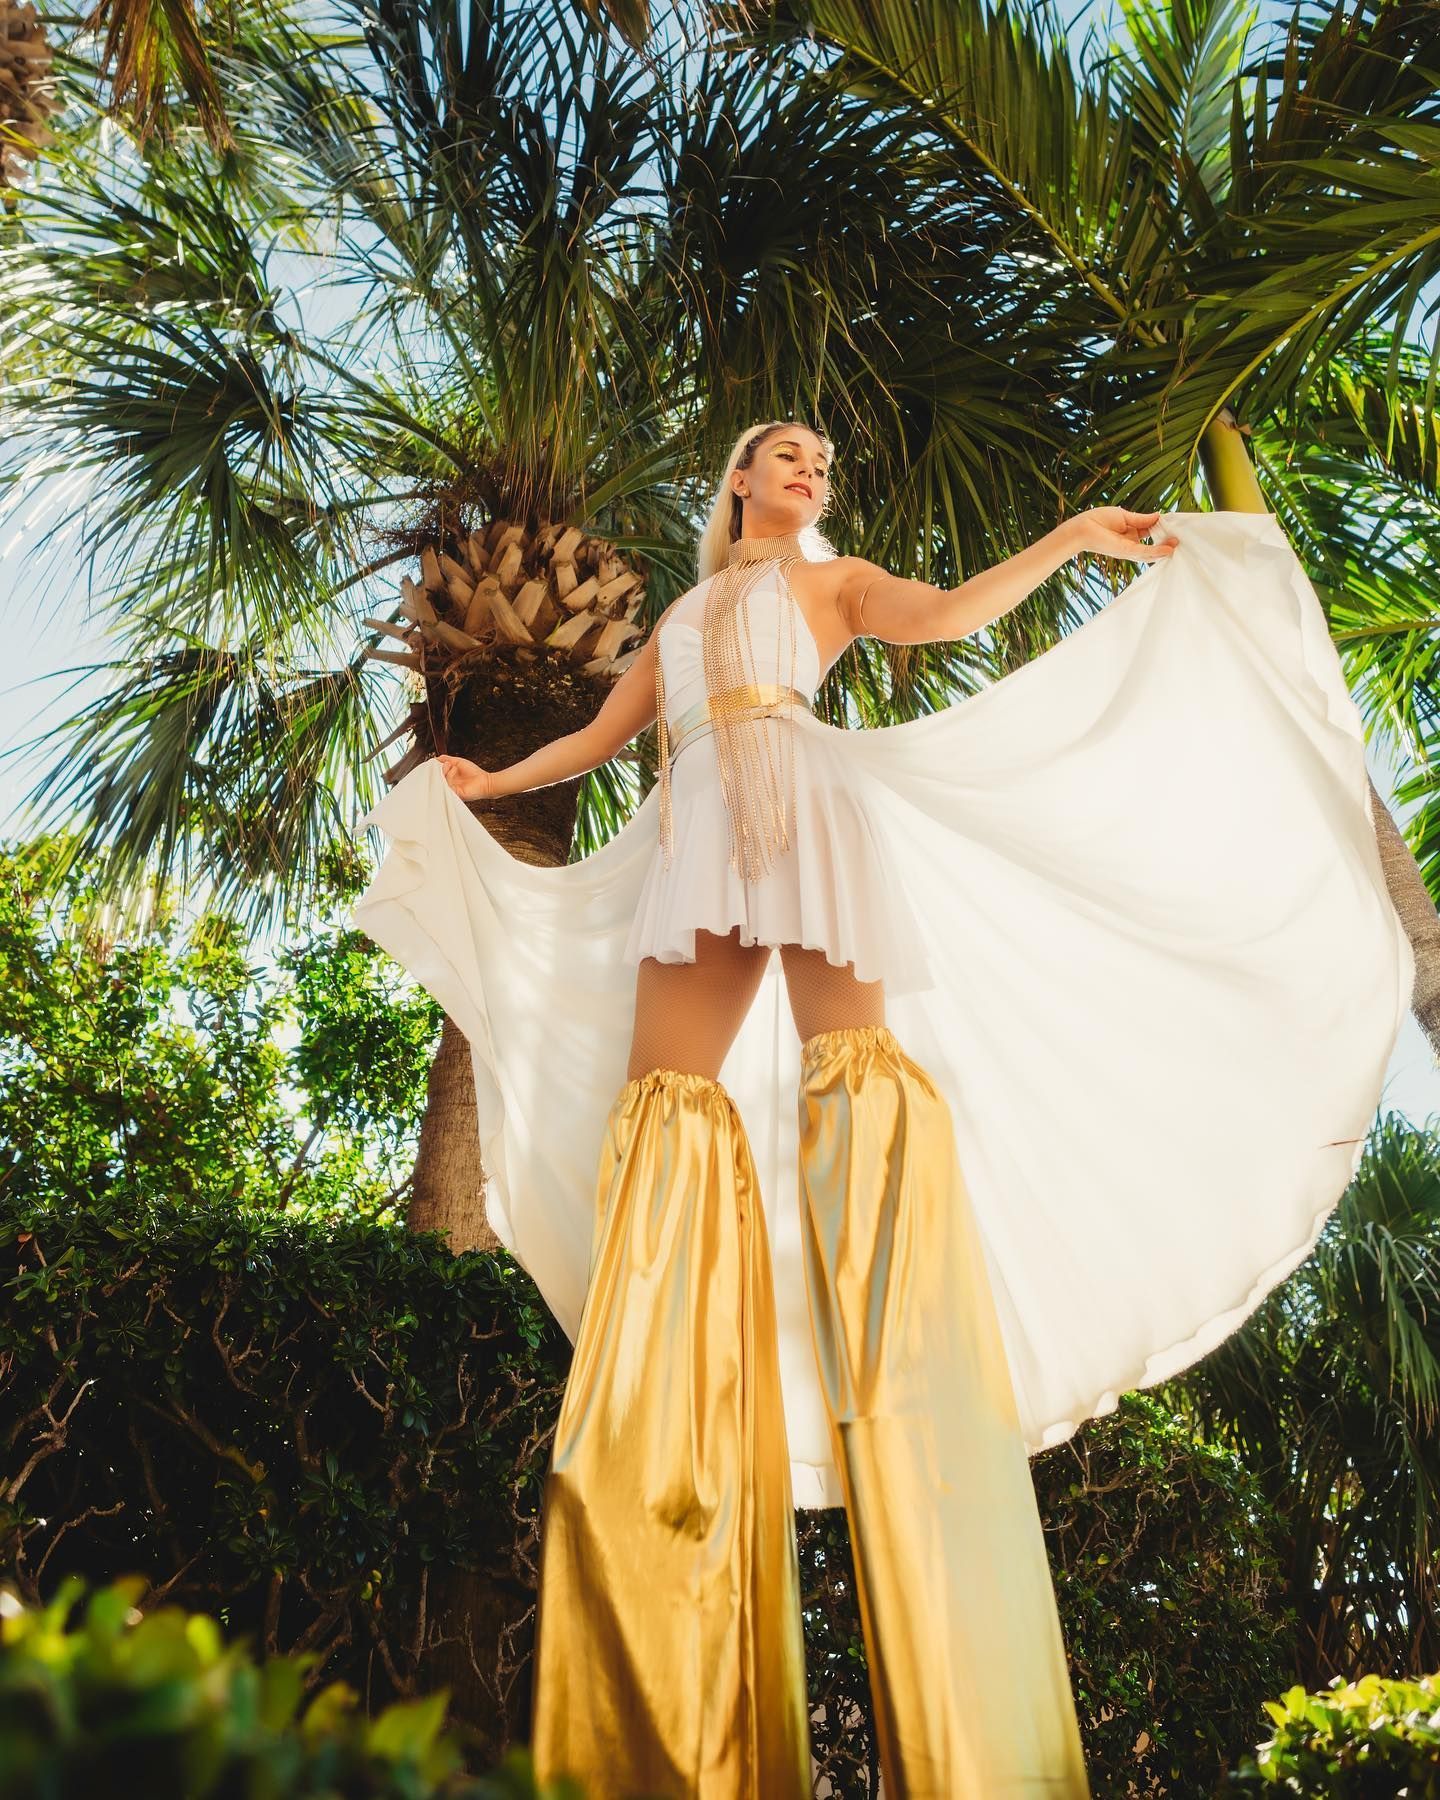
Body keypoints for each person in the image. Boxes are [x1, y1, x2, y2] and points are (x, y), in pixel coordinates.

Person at [351, 421, 1413, 1799]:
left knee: (859, 1097)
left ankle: (902, 1352)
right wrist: (487, 781)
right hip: (695, 841)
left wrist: (1074, 539)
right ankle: (664, 1425)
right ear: (739, 475)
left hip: (808, 815)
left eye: (825, 467)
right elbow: (603, 738)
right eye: (789, 457)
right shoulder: (679, 614)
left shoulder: (832, 585)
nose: (812, 474)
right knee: (665, 1114)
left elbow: (952, 612)